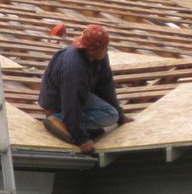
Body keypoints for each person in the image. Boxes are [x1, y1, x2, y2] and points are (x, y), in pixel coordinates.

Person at [37, 24, 133, 154]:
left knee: (109, 120)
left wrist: (121, 116)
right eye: (104, 48)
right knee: (110, 115)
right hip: (57, 101)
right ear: (92, 49)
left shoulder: (100, 56)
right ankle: (58, 119)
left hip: (78, 95)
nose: (106, 51)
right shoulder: (73, 67)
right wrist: (81, 139)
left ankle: (75, 124)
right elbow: (71, 102)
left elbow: (106, 87)